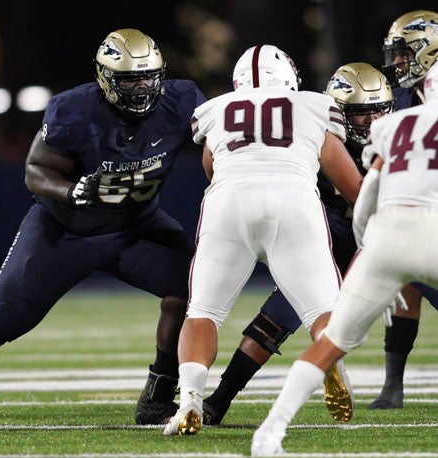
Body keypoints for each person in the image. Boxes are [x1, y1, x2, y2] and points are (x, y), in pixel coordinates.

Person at [0, 28, 206, 429]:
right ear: (105, 78)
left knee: (194, 289)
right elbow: (35, 169)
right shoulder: (74, 109)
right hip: (65, 231)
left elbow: (218, 142)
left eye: (148, 77)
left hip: (137, 226)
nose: (140, 88)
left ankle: (157, 398)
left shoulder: (182, 100)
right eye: (128, 79)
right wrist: (73, 191)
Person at [163, 44, 362, 437]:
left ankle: (189, 401)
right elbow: (350, 184)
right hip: (293, 201)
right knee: (324, 309)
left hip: (229, 203)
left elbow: (211, 167)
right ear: (288, 79)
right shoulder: (311, 105)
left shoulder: (216, 109)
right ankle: (330, 362)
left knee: (203, 312)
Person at [251, 60, 438, 457]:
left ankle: (270, 430)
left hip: (384, 241)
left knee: (331, 342)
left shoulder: (392, 127)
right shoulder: (388, 119)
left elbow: (368, 194)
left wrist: (367, 252)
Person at [201, 62, 395, 425]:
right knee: (279, 314)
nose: (370, 123)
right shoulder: (316, 134)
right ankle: (220, 397)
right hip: (336, 238)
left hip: (386, 239)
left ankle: (216, 399)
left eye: (377, 112)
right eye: (358, 114)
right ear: (338, 113)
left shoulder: (403, 140)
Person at [369, 9, 438, 410]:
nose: (396, 63)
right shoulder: (400, 101)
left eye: (403, 53)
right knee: (403, 276)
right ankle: (393, 384)